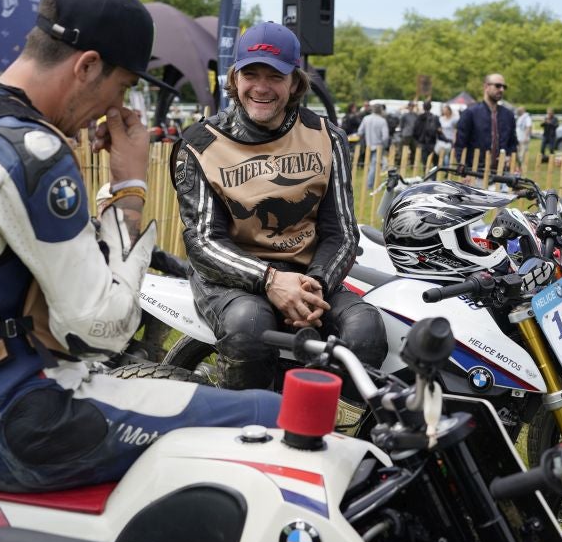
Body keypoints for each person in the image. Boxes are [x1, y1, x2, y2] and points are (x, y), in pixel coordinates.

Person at [0, 0, 280, 493]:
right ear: (87, 66)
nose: (110, 109)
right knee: (270, 410)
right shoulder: (28, 147)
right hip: (8, 418)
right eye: (119, 89)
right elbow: (104, 328)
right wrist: (129, 187)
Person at [172, 21, 387, 431]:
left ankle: (334, 436)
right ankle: (244, 433)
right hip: (230, 279)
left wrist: (315, 289)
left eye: (275, 75)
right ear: (234, 78)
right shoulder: (199, 143)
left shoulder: (328, 137)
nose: (262, 87)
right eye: (251, 73)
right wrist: (271, 281)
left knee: (365, 328)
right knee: (249, 326)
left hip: (310, 275)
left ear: (295, 82)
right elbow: (202, 240)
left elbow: (342, 231)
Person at [454, 73, 518, 170]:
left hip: (502, 175)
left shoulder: (508, 115)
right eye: (498, 86)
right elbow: (460, 144)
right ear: (486, 87)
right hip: (476, 173)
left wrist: (509, 157)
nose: (501, 89)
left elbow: (512, 143)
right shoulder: (470, 113)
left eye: (504, 87)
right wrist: (464, 171)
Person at [357, 103, 390, 188]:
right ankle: (369, 185)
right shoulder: (382, 121)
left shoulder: (366, 118)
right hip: (378, 146)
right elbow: (385, 137)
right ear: (381, 110)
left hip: (368, 145)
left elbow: (360, 132)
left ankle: (372, 182)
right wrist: (384, 146)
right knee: (374, 166)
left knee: (371, 165)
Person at [412, 100, 441, 167]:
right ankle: (432, 176)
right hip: (431, 142)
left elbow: (415, 130)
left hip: (424, 142)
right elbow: (439, 130)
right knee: (434, 162)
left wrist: (418, 140)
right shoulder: (434, 117)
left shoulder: (419, 117)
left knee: (425, 162)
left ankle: (427, 175)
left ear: (423, 107)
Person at [436, 103, 457, 168]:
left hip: (450, 139)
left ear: (449, 111)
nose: (444, 111)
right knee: (443, 154)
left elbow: (456, 129)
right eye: (443, 110)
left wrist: (455, 138)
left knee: (447, 154)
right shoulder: (441, 118)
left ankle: (447, 168)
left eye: (445, 110)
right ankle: (445, 167)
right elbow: (438, 127)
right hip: (442, 139)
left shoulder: (453, 119)